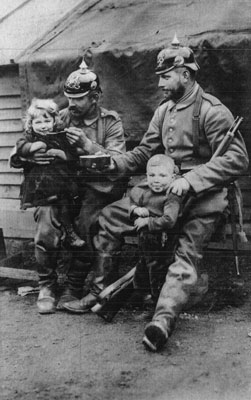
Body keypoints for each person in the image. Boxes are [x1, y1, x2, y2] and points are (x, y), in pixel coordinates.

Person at [65, 37, 249, 352]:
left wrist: (192, 179)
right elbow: (144, 153)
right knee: (110, 218)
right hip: (163, 191)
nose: (161, 83)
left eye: (166, 76)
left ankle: (161, 321)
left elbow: (237, 159)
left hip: (204, 197)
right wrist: (113, 162)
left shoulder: (212, 111)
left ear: (186, 75)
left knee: (184, 255)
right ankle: (100, 293)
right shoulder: (164, 111)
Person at [10, 61, 127, 314]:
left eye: (79, 98)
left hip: (96, 189)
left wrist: (88, 146)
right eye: (69, 97)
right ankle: (47, 285)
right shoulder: (58, 117)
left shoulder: (110, 122)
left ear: (95, 97)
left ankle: (73, 286)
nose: (71, 104)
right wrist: (30, 156)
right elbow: (18, 152)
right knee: (46, 218)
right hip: (61, 188)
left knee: (86, 221)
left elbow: (119, 162)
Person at [14, 98, 85, 248]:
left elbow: (73, 158)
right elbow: (20, 148)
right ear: (31, 125)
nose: (43, 126)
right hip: (40, 186)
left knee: (65, 205)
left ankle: (69, 233)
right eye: (37, 122)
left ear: (54, 121)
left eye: (46, 121)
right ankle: (54, 241)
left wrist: (61, 154)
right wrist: (32, 147)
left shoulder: (61, 138)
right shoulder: (30, 138)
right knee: (50, 212)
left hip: (62, 184)